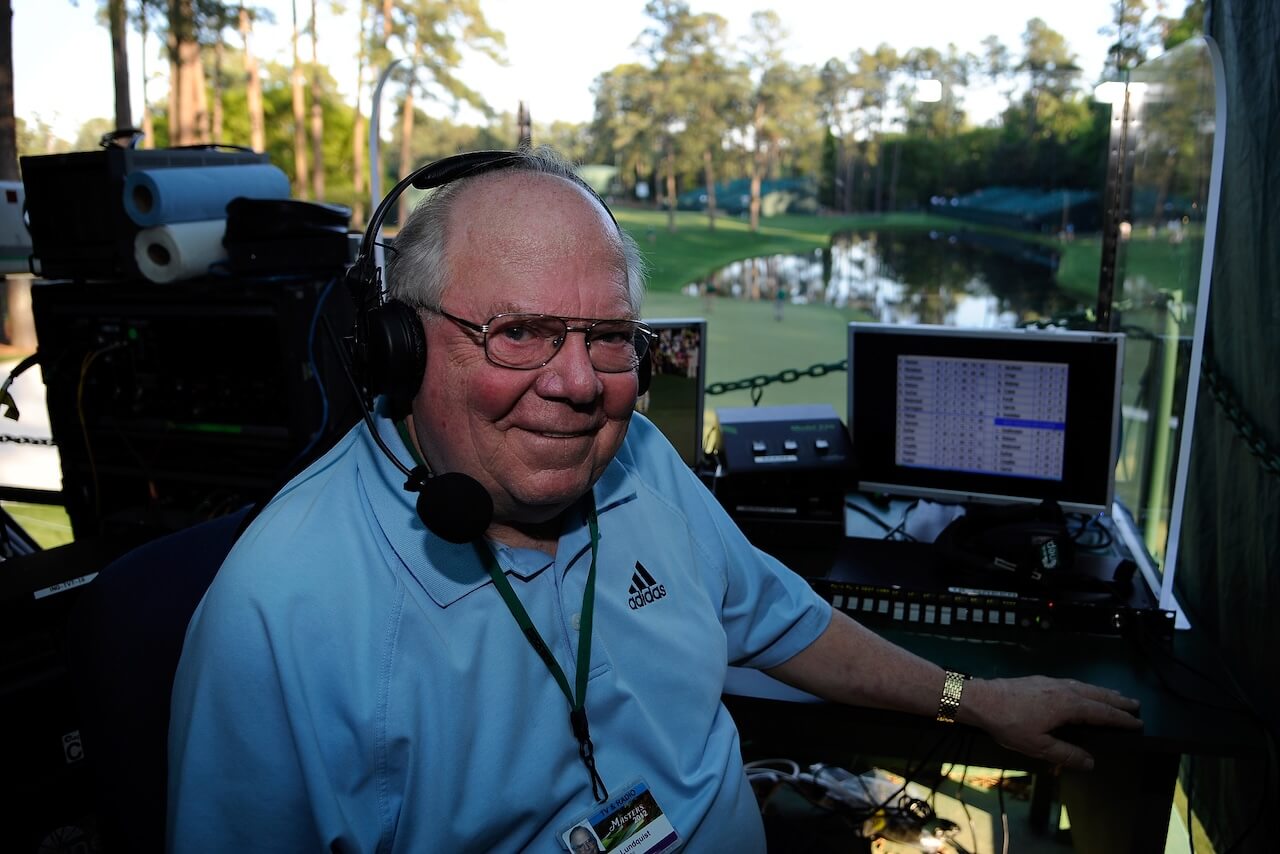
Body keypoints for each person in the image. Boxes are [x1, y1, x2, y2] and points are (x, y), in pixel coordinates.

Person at [167, 146, 1141, 853]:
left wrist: (972, 698)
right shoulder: (280, 607)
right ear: (397, 346)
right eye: (519, 331)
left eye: (606, 336)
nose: (578, 382)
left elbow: (775, 614)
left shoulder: (633, 454)